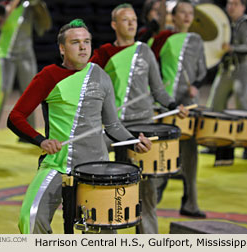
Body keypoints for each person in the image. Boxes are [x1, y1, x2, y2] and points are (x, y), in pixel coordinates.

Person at [7, 19, 151, 234]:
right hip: (58, 165)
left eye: (87, 41)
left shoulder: (100, 75)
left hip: (96, 167)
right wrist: (41, 141)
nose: (83, 47)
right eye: (75, 42)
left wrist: (134, 141)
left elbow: (112, 125)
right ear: (62, 48)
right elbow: (16, 116)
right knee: (31, 216)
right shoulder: (48, 76)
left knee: (102, 233)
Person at [90, 3, 187, 234]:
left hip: (144, 127)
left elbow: (158, 90)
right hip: (115, 127)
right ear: (114, 25)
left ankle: (148, 241)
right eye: (126, 20)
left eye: (134, 19)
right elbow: (90, 88)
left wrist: (174, 106)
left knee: (146, 195)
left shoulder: (144, 51)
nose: (132, 23)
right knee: (99, 178)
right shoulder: (103, 54)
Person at [149, 0, 207, 218]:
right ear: (174, 16)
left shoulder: (197, 40)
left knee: (191, 154)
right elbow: (152, 69)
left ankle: (191, 202)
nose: (187, 16)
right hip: (166, 105)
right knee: (163, 154)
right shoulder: (162, 39)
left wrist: (196, 86)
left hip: (189, 104)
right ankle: (151, 203)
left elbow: (202, 71)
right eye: (183, 12)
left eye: (190, 13)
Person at [0, 0, 51, 144]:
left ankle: (26, 131)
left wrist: (40, 7)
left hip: (25, 55)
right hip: (4, 55)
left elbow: (44, 26)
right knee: (3, 89)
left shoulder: (31, 6)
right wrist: (2, 15)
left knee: (30, 92)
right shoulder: (2, 6)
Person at [206, 0, 247, 161]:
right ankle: (216, 144)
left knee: (241, 101)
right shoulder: (224, 22)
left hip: (242, 68)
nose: (231, 7)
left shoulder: (246, 22)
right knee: (215, 104)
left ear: (243, 7)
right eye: (230, 3)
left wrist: (232, 48)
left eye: (236, 4)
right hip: (226, 69)